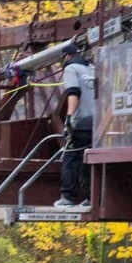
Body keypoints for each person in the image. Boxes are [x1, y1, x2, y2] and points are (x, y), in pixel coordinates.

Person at [55, 43, 95, 208]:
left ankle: (68, 197)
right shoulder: (92, 69)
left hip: (81, 121)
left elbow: (73, 92)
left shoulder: (71, 69)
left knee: (71, 157)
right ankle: (90, 197)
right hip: (97, 121)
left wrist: (69, 117)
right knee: (88, 160)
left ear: (67, 56)